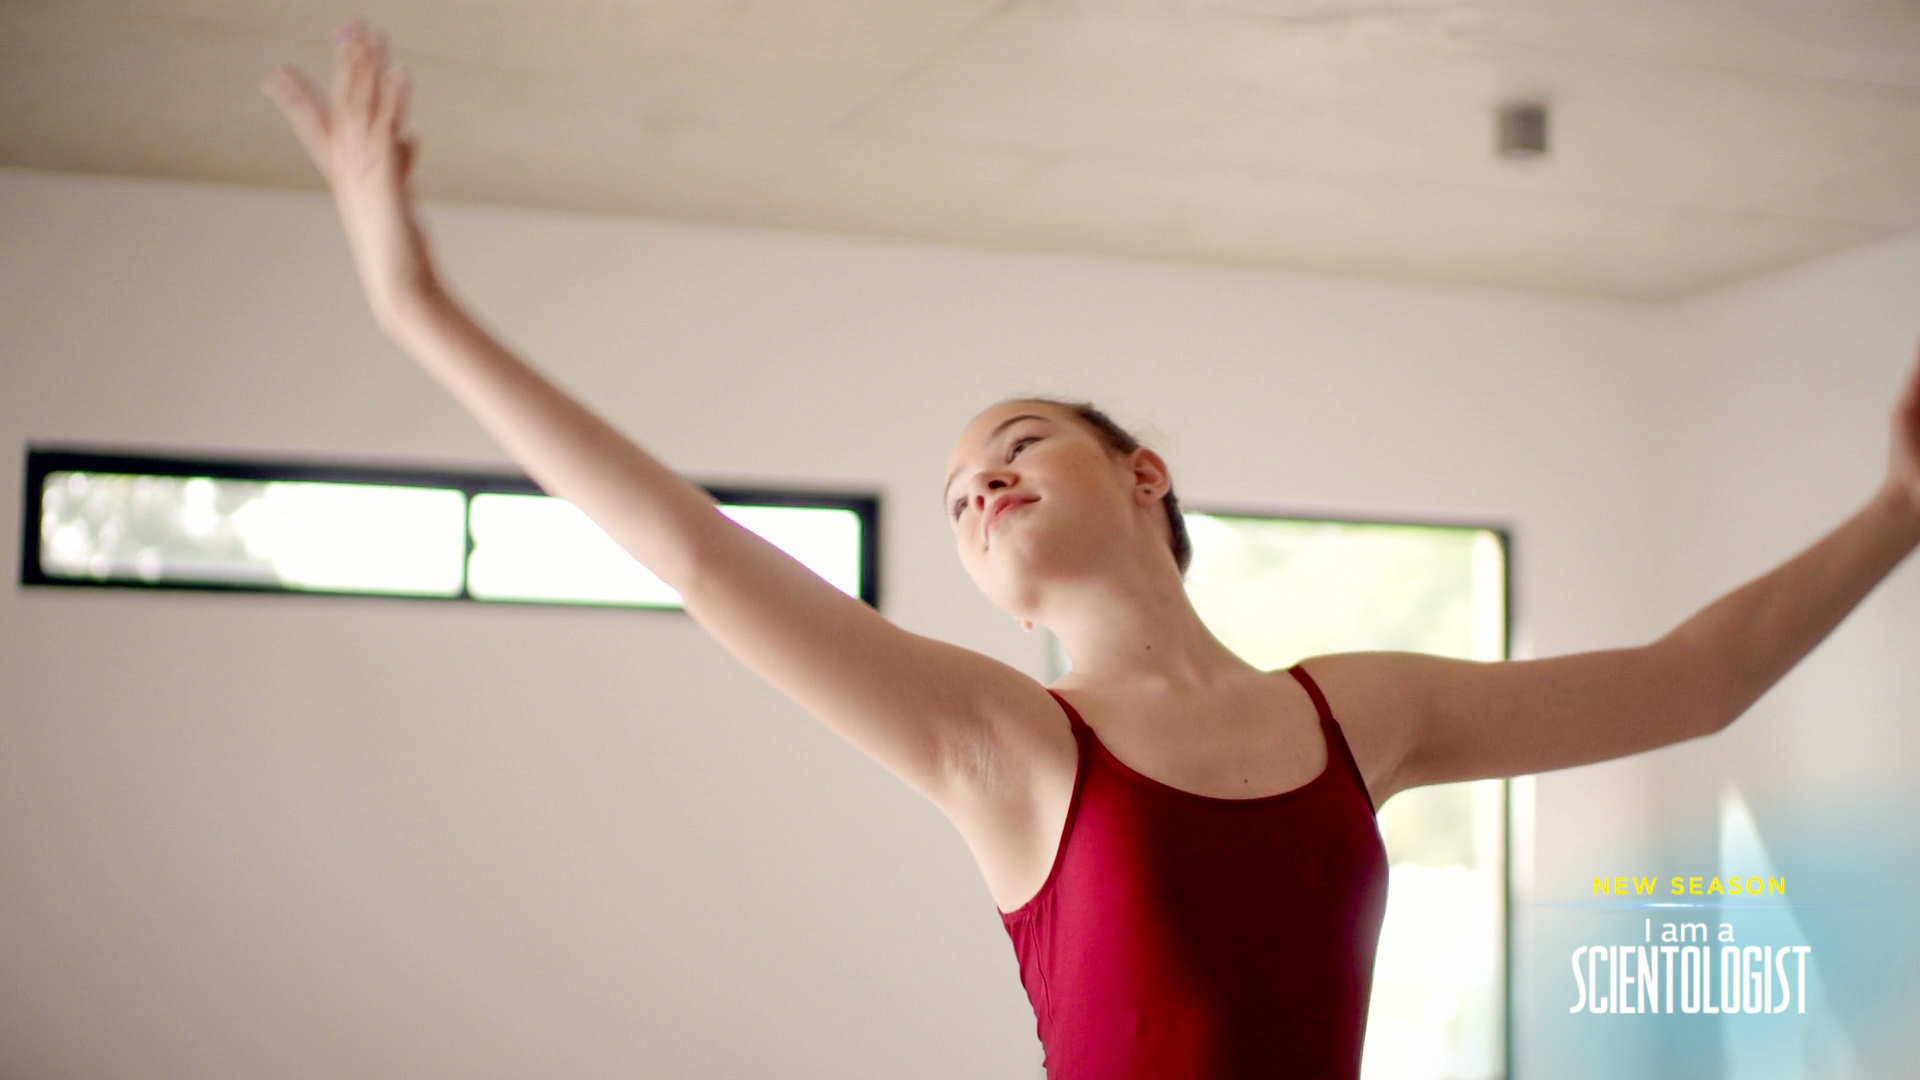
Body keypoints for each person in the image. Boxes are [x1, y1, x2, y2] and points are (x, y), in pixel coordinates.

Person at [261, 20, 1920, 1078]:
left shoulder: (1361, 712)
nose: (978, 486)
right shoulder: (1002, 740)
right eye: (954, 493)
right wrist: (415, 306)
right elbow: (694, 554)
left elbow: (1694, 683)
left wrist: (1902, 508)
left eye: (1015, 445)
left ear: (1144, 477)